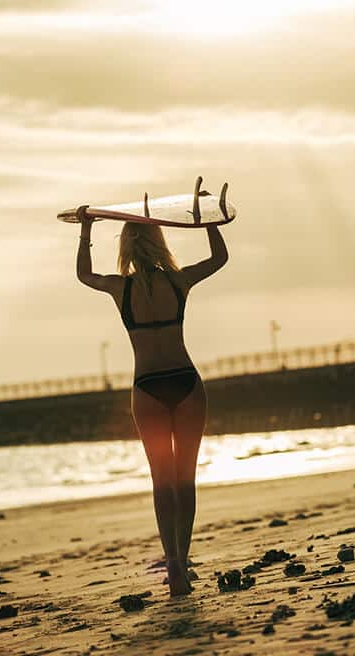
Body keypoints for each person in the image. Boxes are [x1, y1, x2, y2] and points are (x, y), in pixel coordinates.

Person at [75, 206, 228, 597]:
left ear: (126, 246)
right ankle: (184, 557)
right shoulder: (178, 281)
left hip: (147, 387)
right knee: (185, 478)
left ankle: (173, 562)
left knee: (162, 481)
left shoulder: (119, 287)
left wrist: (87, 229)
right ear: (160, 242)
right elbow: (219, 259)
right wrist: (210, 221)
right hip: (186, 382)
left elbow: (83, 275)